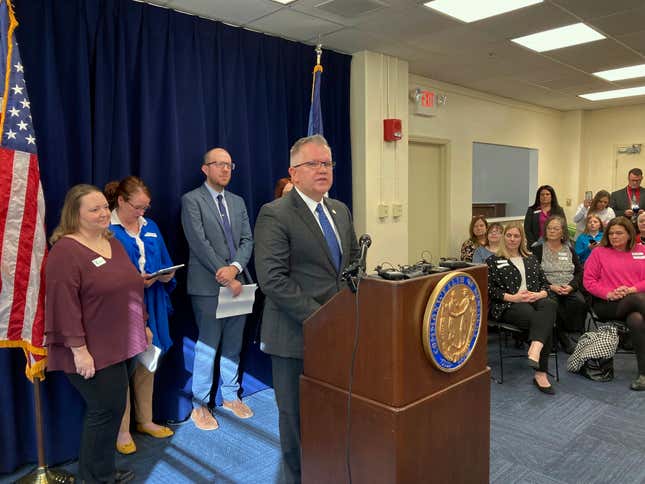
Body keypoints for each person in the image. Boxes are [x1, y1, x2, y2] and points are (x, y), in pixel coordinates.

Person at [254, 134, 360, 483]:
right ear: (293, 172)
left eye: (327, 163)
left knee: (333, 415)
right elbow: (272, 280)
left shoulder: (340, 210)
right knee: (296, 422)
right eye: (313, 163)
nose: (322, 169)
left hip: (337, 335)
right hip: (294, 337)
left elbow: (352, 264)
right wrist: (321, 318)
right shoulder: (275, 214)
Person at [45, 184, 149, 483]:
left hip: (121, 344)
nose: (104, 213)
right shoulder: (65, 251)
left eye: (105, 206)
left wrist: (142, 324)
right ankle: (93, 478)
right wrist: (79, 350)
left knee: (113, 411)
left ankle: (102, 470)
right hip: (89, 350)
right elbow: (62, 305)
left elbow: (131, 288)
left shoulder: (112, 242)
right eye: (95, 209)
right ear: (75, 215)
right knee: (104, 412)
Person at [181, 147, 255, 430]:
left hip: (239, 283)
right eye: (219, 164)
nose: (225, 170)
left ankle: (230, 396)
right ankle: (200, 405)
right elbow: (199, 243)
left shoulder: (237, 201)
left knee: (234, 344)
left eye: (229, 165)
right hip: (208, 285)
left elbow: (248, 239)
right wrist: (223, 274)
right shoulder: (192, 200)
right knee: (209, 345)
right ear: (205, 169)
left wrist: (235, 269)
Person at [104, 176, 176, 454]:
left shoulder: (151, 226)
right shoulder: (107, 228)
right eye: (137, 207)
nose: (142, 213)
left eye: (146, 207)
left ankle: (145, 419)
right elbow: (101, 272)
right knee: (123, 367)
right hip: (121, 306)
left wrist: (166, 273)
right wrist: (134, 280)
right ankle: (122, 431)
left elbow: (165, 261)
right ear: (121, 201)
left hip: (153, 300)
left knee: (149, 360)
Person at [486, 221, 557, 394]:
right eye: (508, 235)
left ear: (522, 238)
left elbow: (546, 285)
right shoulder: (494, 260)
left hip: (534, 298)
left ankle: (535, 348)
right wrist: (513, 297)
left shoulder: (530, 258)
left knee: (549, 304)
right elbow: (489, 289)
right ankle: (540, 373)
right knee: (542, 321)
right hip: (508, 304)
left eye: (516, 236)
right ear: (504, 238)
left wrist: (539, 294)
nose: (512, 239)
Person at [583, 217, 645, 390]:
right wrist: (608, 293)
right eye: (611, 233)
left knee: (636, 319)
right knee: (638, 300)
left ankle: (643, 375)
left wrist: (631, 289)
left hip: (635, 300)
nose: (614, 236)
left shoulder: (642, 250)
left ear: (629, 234)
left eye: (619, 233)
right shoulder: (599, 252)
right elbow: (588, 281)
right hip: (607, 303)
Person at [531, 216, 586, 354]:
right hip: (548, 287)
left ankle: (569, 334)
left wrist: (572, 286)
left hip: (568, 286)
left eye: (556, 228)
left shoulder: (570, 249)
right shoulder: (537, 250)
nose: (552, 231)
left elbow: (579, 271)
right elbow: (534, 275)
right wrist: (551, 286)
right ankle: (561, 338)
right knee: (553, 304)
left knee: (580, 302)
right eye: (549, 228)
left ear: (563, 232)